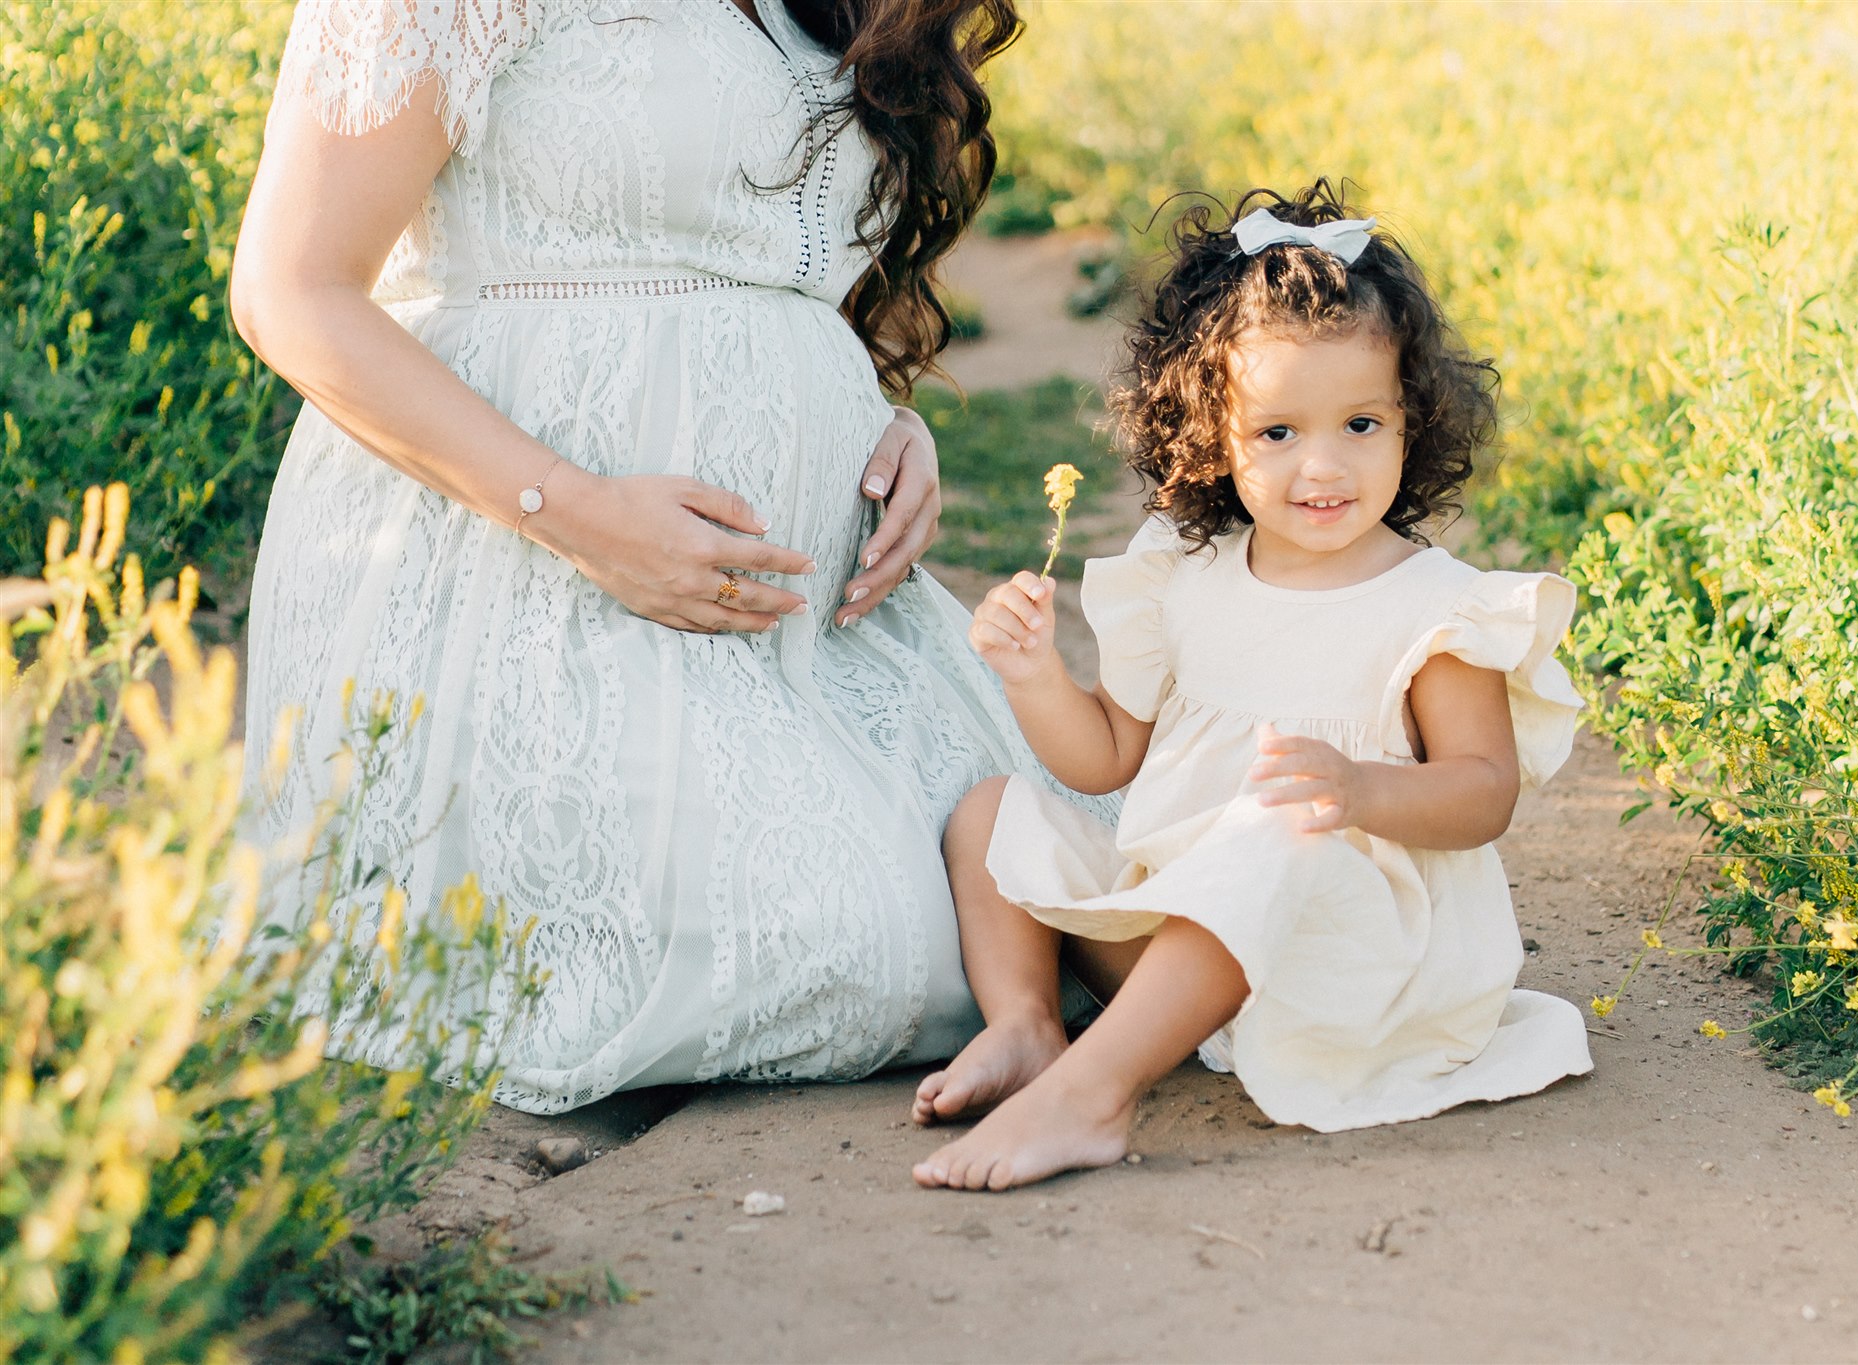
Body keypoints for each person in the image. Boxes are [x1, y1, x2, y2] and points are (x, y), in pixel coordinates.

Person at [228, 0, 1069, 1114]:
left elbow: (776, 270)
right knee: (864, 947)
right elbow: (290, 292)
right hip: (520, 584)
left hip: (809, 636)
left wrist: (878, 423)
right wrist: (574, 514)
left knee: (1047, 872)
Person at [911, 183, 1594, 1191]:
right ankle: (1026, 1027)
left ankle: (1092, 1095)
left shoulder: (1435, 609)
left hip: (1347, 970)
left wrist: (1361, 793)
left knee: (1278, 823)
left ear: (1412, 420)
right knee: (989, 812)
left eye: (1360, 423)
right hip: (1176, 956)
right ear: (1207, 433)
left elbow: (1483, 789)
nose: (1323, 466)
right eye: (1277, 433)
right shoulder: (1181, 579)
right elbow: (1104, 756)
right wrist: (1034, 677)